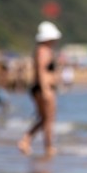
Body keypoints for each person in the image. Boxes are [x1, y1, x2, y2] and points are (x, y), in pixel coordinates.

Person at [17, 21, 62, 157]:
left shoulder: (41, 50)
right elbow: (42, 72)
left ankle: (26, 139)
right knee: (49, 120)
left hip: (41, 88)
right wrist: (45, 90)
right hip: (44, 88)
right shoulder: (43, 51)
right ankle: (48, 147)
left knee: (44, 119)